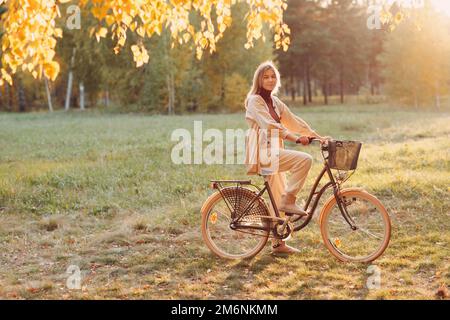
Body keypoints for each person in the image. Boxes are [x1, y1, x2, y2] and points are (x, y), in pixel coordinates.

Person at [244, 61, 330, 254]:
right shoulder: (254, 100)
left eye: (273, 76)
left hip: (274, 152)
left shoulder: (275, 102)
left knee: (278, 196)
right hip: (262, 152)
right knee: (304, 160)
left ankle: (278, 244)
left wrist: (317, 136)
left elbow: (294, 121)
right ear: (259, 79)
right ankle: (290, 200)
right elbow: (270, 126)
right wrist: (295, 138)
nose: (270, 80)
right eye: (265, 76)